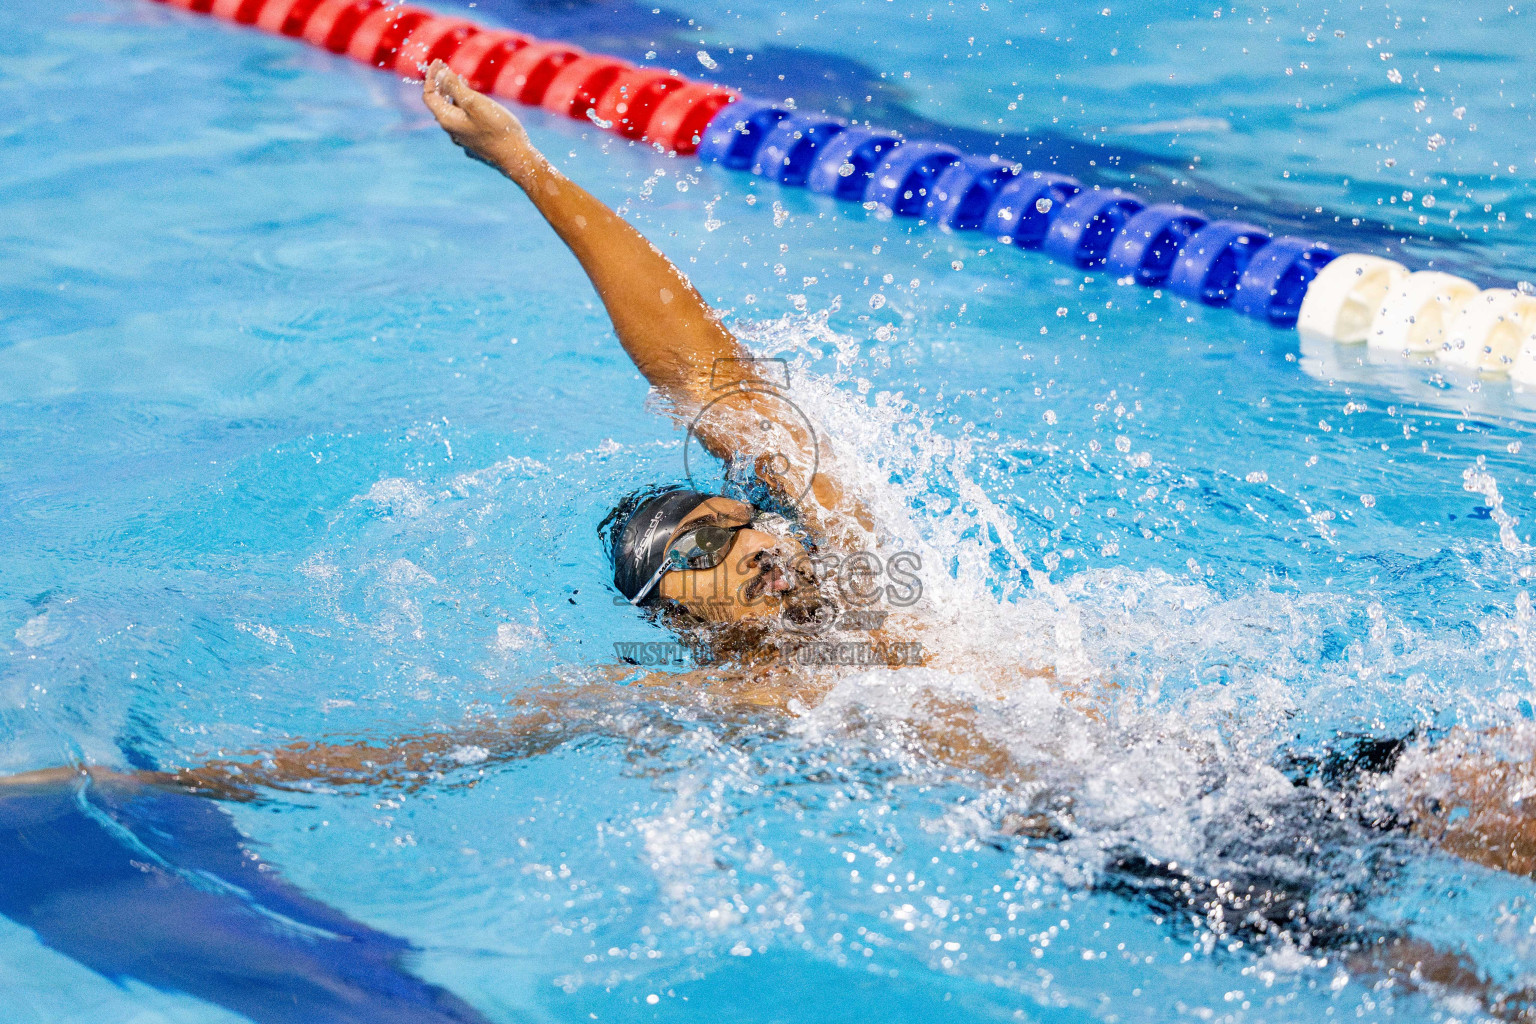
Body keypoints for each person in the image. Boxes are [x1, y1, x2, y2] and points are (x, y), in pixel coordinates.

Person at [3, 61, 1534, 1024]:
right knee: (1454, 984)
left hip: (1222, 771)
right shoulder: (721, 705)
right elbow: (420, 754)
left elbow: (711, 386)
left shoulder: (878, 586)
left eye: (756, 525)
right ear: (684, 617)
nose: (766, 545)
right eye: (721, 554)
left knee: (1493, 773)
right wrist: (127, 790)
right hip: (1138, 847)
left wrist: (527, 167)